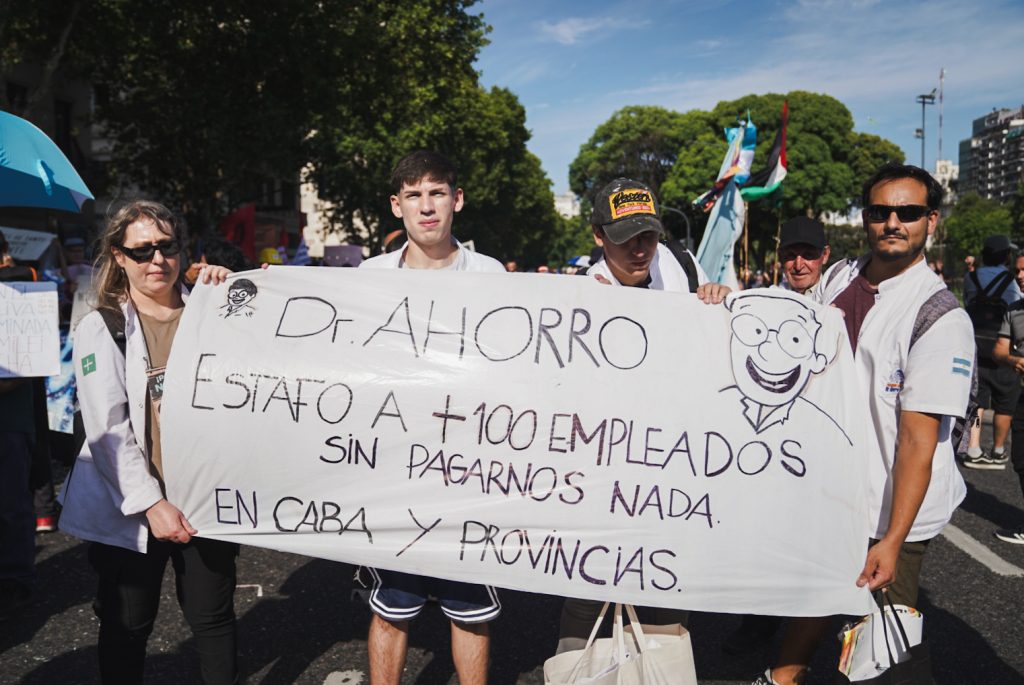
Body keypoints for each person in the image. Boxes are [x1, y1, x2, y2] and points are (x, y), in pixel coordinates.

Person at [753, 163, 973, 685]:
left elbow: (920, 441)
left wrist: (892, 540)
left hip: (889, 508)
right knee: (822, 589)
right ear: (865, 219)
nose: (892, 222)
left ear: (931, 221)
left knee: (881, 647)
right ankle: (782, 677)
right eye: (880, 212)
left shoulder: (940, 317)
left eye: (908, 212)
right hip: (834, 492)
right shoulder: (838, 277)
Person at [58, 200, 238, 684]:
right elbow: (107, 428)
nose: (157, 260)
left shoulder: (215, 310)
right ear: (118, 257)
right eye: (142, 251)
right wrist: (151, 503)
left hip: (205, 495)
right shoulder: (103, 327)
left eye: (167, 247)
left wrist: (236, 288)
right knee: (127, 623)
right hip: (133, 505)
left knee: (213, 619)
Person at [557, 177, 728, 654]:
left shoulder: (685, 273)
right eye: (624, 237)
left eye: (648, 235)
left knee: (666, 598)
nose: (639, 249)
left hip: (669, 474)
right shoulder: (573, 296)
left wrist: (720, 305)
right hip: (598, 477)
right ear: (597, 235)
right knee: (586, 596)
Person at [360, 151, 504, 685]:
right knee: (391, 604)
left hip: (471, 469)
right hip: (395, 468)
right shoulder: (368, 276)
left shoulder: (490, 275)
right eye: (414, 195)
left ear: (457, 200)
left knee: (471, 606)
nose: (427, 207)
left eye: (437, 192)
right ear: (396, 206)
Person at [961, 234, 1022, 469]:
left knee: (977, 399)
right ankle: (998, 450)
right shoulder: (1010, 281)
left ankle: (974, 449)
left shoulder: (971, 277)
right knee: (1005, 400)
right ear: (1006, 256)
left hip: (975, 345)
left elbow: (968, 302)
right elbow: (1016, 310)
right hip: (1002, 346)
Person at [990, 275, 1024, 544]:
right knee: (1021, 459)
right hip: (1022, 395)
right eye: (1019, 270)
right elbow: (999, 351)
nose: (1020, 276)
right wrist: (1013, 359)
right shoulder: (1013, 311)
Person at [776, 217, 830, 297]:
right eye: (791, 255)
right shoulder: (768, 301)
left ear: (825, 255)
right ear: (780, 256)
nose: (798, 266)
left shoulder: (837, 300)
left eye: (808, 255)